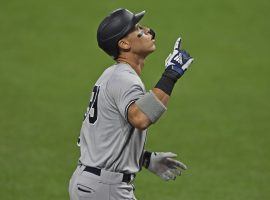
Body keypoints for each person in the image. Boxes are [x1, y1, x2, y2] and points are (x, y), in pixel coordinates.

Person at [68, 8, 194, 200]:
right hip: (105, 188)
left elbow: (106, 136)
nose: (149, 31)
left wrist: (143, 158)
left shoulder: (113, 75)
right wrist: (171, 74)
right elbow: (141, 118)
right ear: (124, 44)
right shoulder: (124, 79)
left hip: (93, 183)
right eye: (139, 30)